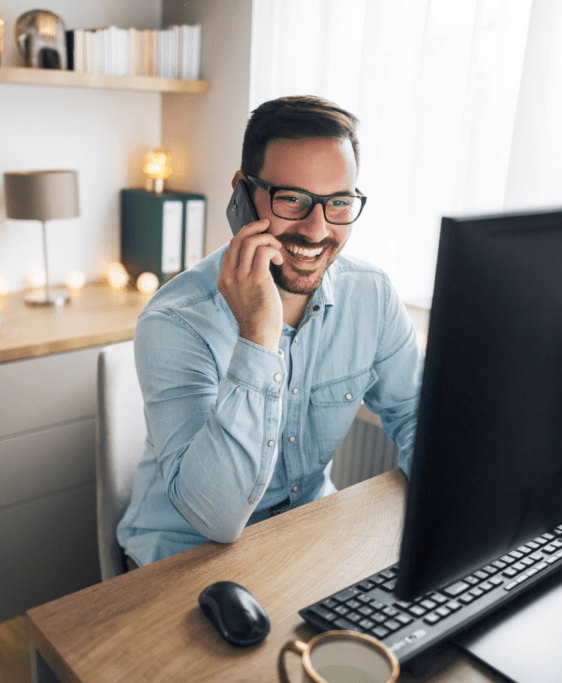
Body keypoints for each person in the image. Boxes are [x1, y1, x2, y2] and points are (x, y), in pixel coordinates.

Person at [117, 95, 424, 569]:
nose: (317, 229)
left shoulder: (373, 296)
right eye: (293, 199)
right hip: (182, 557)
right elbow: (215, 519)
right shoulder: (175, 320)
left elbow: (418, 415)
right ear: (242, 193)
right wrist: (258, 336)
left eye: (338, 202)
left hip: (305, 537)